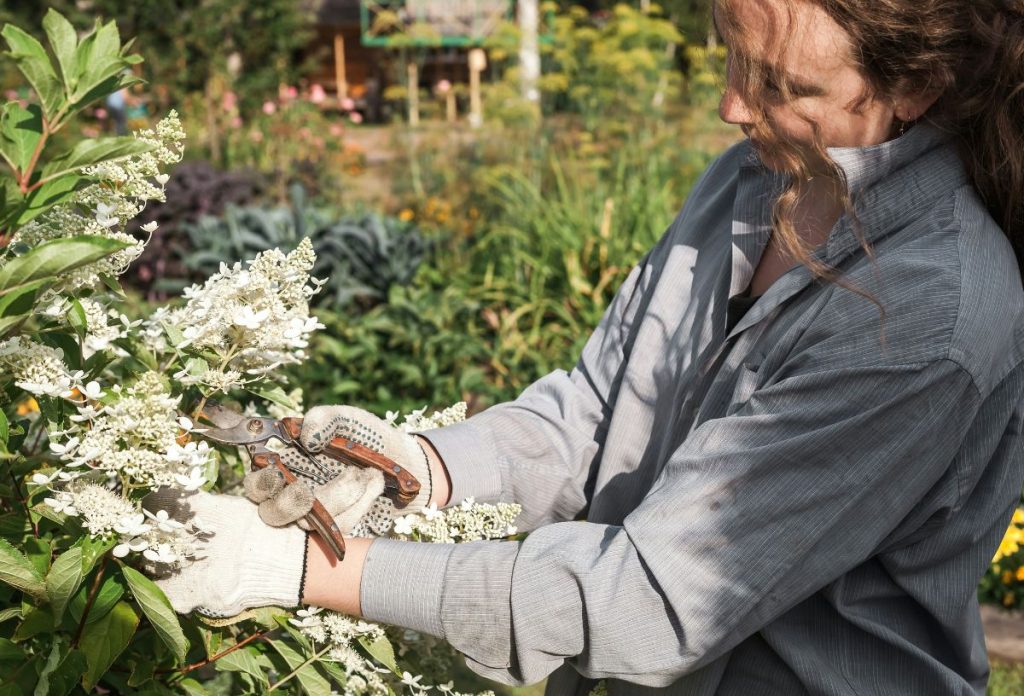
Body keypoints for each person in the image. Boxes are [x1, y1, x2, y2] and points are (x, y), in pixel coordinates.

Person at [150, 0, 1024, 692]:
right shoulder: (753, 182)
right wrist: (417, 467)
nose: (729, 106)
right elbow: (599, 412)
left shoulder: (925, 313)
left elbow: (648, 603)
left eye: (779, 83)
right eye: (729, 53)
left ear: (919, 86)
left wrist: (298, 568)